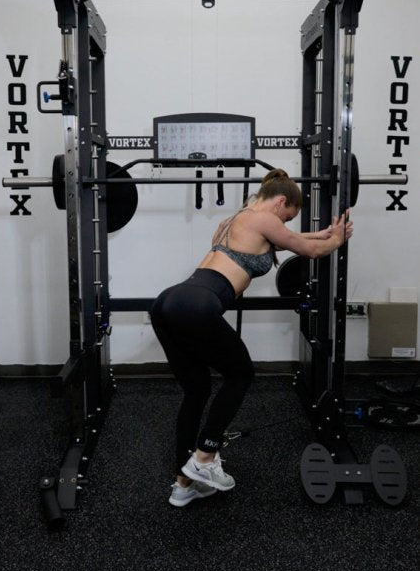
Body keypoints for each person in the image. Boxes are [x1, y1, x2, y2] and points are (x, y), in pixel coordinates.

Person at [150, 169, 353, 507]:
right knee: (241, 374)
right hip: (197, 304)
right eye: (287, 216)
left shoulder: (235, 220)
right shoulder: (263, 217)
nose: (284, 223)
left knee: (197, 390)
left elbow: (287, 239)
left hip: (169, 302)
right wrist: (337, 239)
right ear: (280, 202)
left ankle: (183, 483)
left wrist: (322, 232)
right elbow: (309, 251)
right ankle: (204, 457)